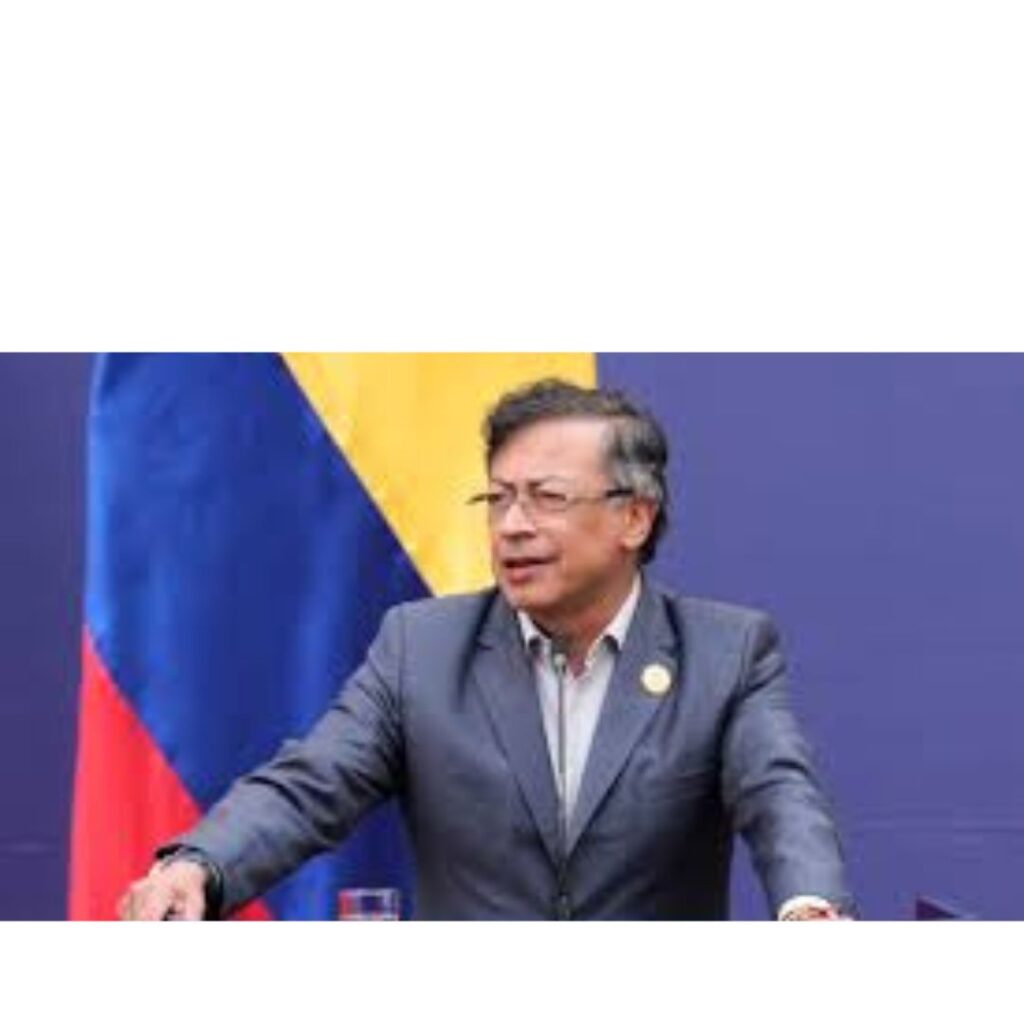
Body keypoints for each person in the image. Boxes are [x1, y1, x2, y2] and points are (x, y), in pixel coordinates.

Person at [119, 378, 852, 921]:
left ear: (634, 517)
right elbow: (310, 785)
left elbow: (780, 796)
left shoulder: (725, 653)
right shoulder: (422, 648)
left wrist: (809, 909)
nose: (512, 526)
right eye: (498, 499)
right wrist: (199, 866)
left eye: (546, 498)